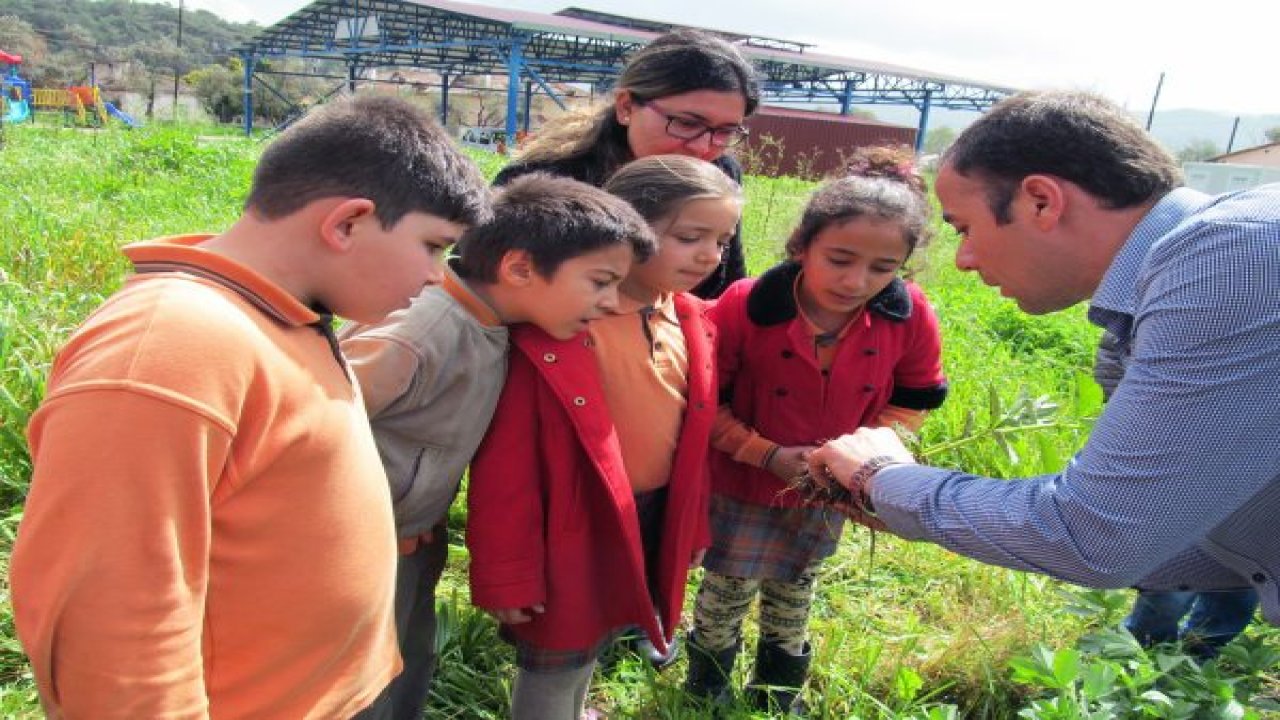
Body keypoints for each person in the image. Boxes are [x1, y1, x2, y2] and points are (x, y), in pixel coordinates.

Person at [8, 95, 493, 718]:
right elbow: (109, 615)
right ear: (346, 222)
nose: (436, 277)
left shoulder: (280, 314)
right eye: (433, 246)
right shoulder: (173, 344)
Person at [807, 90, 1280, 627]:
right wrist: (918, 506)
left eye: (964, 229)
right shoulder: (1222, 254)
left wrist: (882, 477)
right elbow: (1172, 531)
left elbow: (1097, 536)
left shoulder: (1232, 260)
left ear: (1041, 201)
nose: (963, 260)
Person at [337, 173, 657, 720]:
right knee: (354, 692)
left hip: (416, 538)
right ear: (519, 268)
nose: (610, 302)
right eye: (600, 281)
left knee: (405, 668)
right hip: (353, 552)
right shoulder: (418, 332)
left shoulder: (501, 324)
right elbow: (306, 423)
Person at [466, 154, 742, 719]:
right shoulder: (555, 332)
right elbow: (504, 469)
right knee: (558, 656)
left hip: (650, 514)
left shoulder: (690, 318)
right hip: (570, 525)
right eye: (690, 236)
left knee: (600, 640)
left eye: (721, 239)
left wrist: (690, 524)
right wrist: (507, 572)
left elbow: (693, 445)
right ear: (630, 231)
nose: (710, 255)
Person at [684, 146, 948, 714]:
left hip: (831, 488)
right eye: (840, 259)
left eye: (883, 269)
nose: (857, 282)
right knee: (726, 583)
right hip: (743, 480)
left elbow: (913, 399)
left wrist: (861, 459)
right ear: (803, 245)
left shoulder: (910, 315)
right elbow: (704, 402)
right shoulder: (744, 305)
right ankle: (705, 686)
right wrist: (765, 453)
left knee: (796, 583)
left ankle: (779, 690)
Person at [493, 28, 760, 299]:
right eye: (687, 123)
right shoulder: (546, 181)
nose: (703, 148)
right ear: (626, 107)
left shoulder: (720, 173)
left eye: (726, 131)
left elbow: (724, 290)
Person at [1094, 330, 1260, 659]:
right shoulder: (1186, 293)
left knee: (1243, 575)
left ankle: (1201, 653)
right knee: (1174, 571)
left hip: (1259, 476)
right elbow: (1115, 349)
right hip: (1181, 461)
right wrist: (1138, 423)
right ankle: (1143, 651)